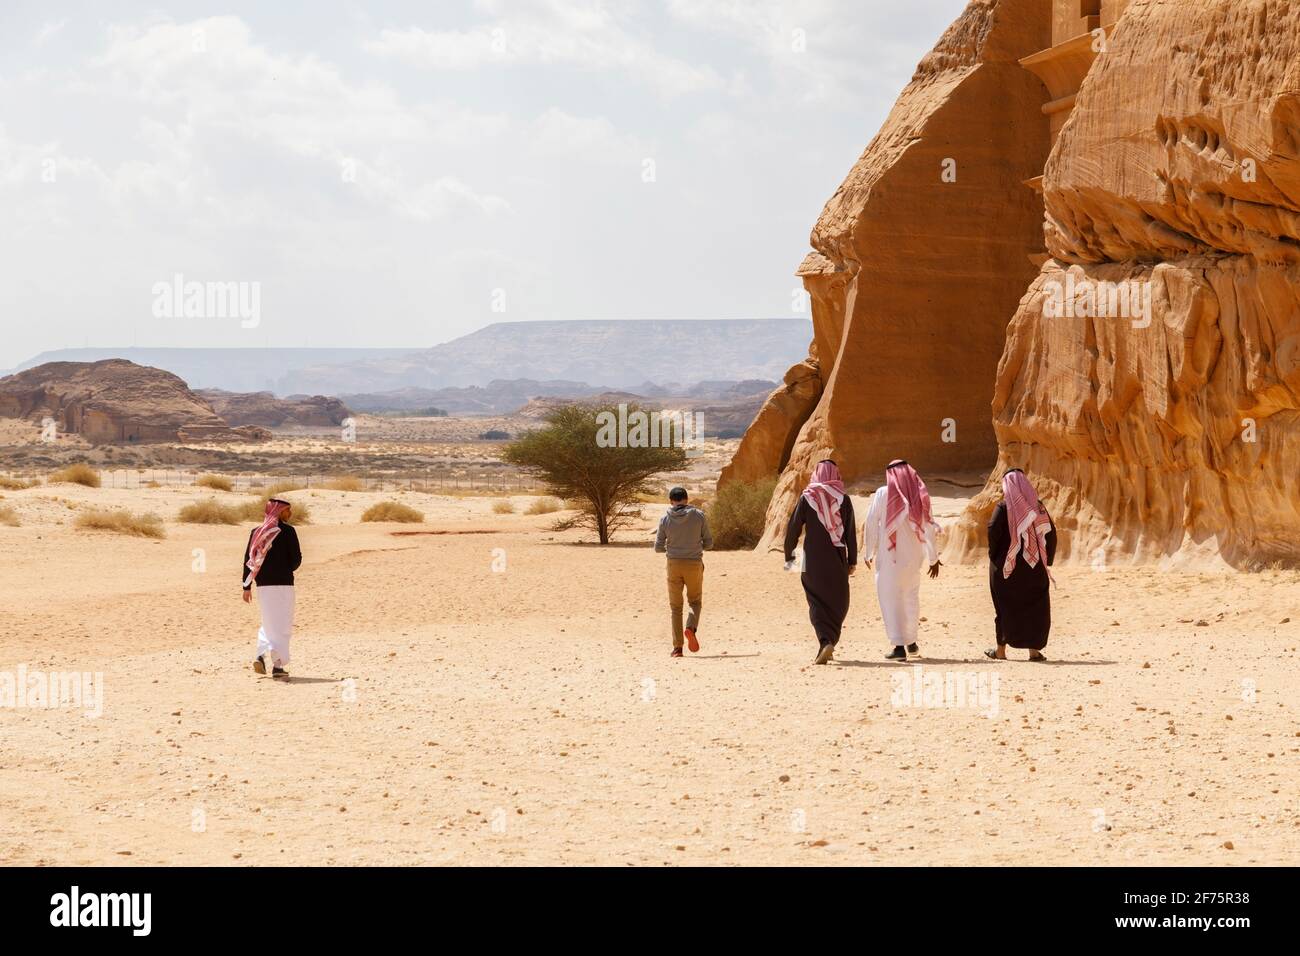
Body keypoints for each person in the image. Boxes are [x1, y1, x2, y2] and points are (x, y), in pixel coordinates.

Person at [862, 459, 940, 660]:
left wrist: (868, 551)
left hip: (890, 557)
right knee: (910, 598)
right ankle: (912, 643)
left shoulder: (883, 493)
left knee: (890, 599)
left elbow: (871, 521)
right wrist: (933, 558)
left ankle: (898, 647)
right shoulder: (920, 494)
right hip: (914, 558)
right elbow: (929, 526)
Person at [783, 459, 857, 665]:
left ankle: (825, 641)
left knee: (815, 599)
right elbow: (850, 533)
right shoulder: (844, 499)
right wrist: (852, 561)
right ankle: (830, 639)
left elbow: (793, 530)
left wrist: (790, 558)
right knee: (839, 599)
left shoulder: (807, 498)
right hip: (837, 557)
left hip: (812, 558)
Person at [985, 468, 1056, 662]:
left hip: (1006, 568)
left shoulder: (1003, 507)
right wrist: (1046, 561)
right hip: (1034, 568)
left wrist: (995, 556)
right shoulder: (1038, 507)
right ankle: (1034, 651)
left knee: (1004, 607)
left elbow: (993, 531)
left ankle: (1000, 651)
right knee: (1035, 607)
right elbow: (1051, 534)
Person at [242, 498, 302, 679]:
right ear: (279, 511)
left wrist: (246, 586)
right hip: (284, 584)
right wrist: (285, 569)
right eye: (287, 511)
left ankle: (260, 654)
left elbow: (249, 559)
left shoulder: (257, 532)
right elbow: (296, 559)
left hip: (263, 585)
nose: (290, 514)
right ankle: (277, 666)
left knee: (269, 620)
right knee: (282, 624)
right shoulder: (289, 531)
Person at [654, 486, 712, 658]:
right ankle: (690, 627)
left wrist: (673, 547)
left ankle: (677, 648)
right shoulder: (699, 516)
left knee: (675, 607)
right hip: (694, 564)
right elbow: (709, 544)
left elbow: (658, 547)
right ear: (687, 499)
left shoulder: (665, 518)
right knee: (695, 601)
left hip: (673, 565)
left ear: (671, 501)